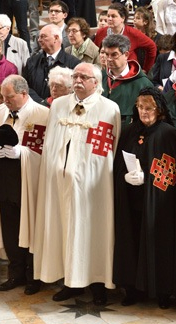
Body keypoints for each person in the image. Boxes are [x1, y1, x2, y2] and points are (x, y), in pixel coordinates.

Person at [33, 62, 120, 303]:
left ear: (96, 82)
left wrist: (89, 173)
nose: (78, 80)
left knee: (94, 230)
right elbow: (51, 143)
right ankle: (69, 281)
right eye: (75, 76)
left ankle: (98, 283)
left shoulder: (108, 108)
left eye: (84, 77)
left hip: (93, 185)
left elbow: (109, 148)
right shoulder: (59, 105)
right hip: (58, 182)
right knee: (62, 227)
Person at [113, 87, 176, 308]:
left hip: (159, 203)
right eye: (140, 107)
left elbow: (173, 171)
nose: (144, 112)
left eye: (149, 108)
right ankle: (132, 289)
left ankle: (162, 291)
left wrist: (150, 178)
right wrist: (124, 177)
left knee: (158, 245)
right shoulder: (129, 131)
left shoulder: (168, 133)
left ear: (159, 110)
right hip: (132, 200)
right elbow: (117, 165)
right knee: (131, 241)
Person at [0, 75, 49, 295]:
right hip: (4, 179)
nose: (5, 101)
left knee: (30, 228)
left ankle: (33, 275)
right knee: (10, 228)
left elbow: (47, 152)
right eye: (3, 97)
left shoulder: (43, 114)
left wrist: (23, 153)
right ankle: (15, 273)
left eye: (9, 97)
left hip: (29, 182)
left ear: (24, 93)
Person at [100, 33, 153, 125]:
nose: (109, 59)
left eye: (114, 55)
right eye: (107, 54)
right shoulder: (100, 77)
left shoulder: (143, 84)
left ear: (126, 55)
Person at [22, 24, 81, 105]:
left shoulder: (74, 63)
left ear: (56, 38)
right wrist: (41, 102)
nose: (39, 40)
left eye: (43, 36)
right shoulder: (32, 61)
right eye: (39, 37)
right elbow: (24, 85)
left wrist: (52, 102)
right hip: (34, 107)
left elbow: (75, 90)